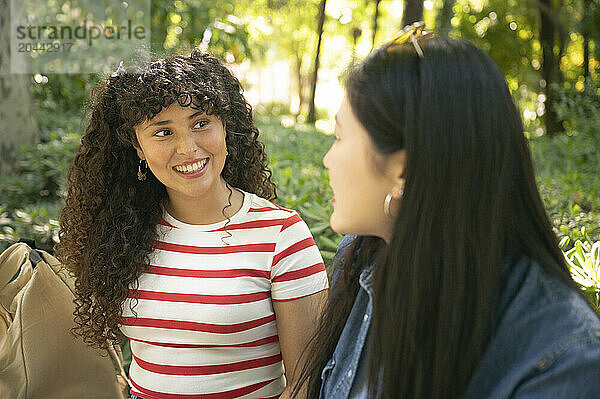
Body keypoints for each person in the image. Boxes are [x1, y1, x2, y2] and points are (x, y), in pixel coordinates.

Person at [292, 25, 600, 399]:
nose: (327, 159)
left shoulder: (562, 356)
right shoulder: (359, 256)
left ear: (403, 171)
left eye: (339, 137)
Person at [55, 49, 328, 399]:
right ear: (138, 147)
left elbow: (308, 384)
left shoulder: (281, 236)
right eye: (162, 132)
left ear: (225, 127)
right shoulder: (124, 232)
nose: (187, 148)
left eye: (201, 123)